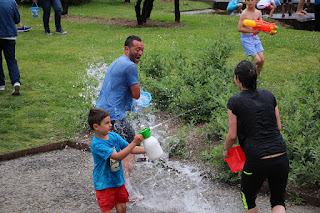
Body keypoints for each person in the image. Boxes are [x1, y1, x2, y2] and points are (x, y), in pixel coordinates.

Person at [223, 61, 289, 213]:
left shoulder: (235, 101)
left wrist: (226, 150)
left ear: (238, 79)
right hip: (280, 156)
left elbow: (232, 136)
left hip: (257, 160)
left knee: (249, 200)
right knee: (278, 201)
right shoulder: (268, 95)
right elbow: (278, 126)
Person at [95, 35, 144, 181]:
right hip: (114, 118)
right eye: (137, 49)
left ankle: (112, 182)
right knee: (130, 148)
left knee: (114, 151)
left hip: (102, 114)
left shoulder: (117, 62)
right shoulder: (130, 66)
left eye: (142, 50)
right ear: (127, 48)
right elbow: (136, 94)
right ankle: (124, 187)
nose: (140, 53)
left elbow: (117, 90)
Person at [88, 108, 146, 213]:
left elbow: (129, 148)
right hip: (104, 184)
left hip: (117, 180)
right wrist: (134, 142)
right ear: (96, 126)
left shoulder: (114, 136)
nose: (110, 125)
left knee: (122, 207)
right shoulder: (97, 144)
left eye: (110, 122)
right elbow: (118, 156)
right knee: (107, 209)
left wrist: (147, 150)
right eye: (106, 123)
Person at [238, 0, 266, 75]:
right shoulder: (244, 13)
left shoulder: (258, 13)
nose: (250, 2)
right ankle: (244, 74)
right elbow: (239, 28)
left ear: (256, 1)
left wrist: (269, 31)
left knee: (262, 60)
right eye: (248, 0)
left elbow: (261, 27)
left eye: (252, 0)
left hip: (255, 38)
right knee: (257, 60)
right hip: (246, 38)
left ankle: (256, 77)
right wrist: (252, 31)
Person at [0, 0, 22, 95]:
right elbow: (17, 19)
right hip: (10, 35)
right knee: (11, 60)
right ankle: (16, 82)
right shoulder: (12, 2)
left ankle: (1, 84)